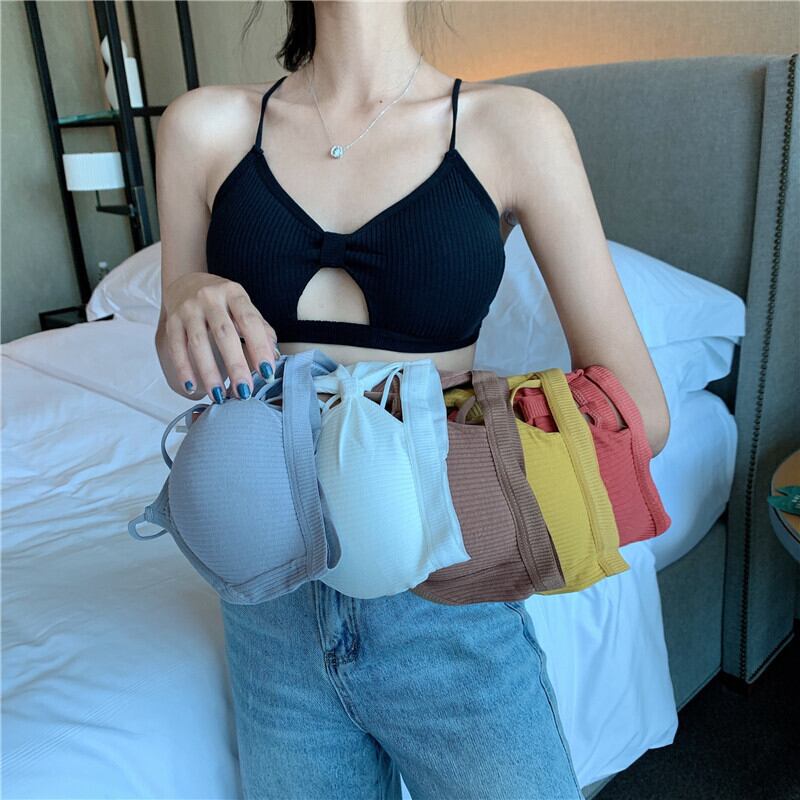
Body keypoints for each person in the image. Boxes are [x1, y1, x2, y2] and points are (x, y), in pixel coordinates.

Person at [153, 2, 671, 798]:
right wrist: (183, 298)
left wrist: (473, 472)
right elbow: (188, 376)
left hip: (446, 603)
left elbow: (643, 415)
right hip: (268, 605)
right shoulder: (202, 127)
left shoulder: (513, 127)